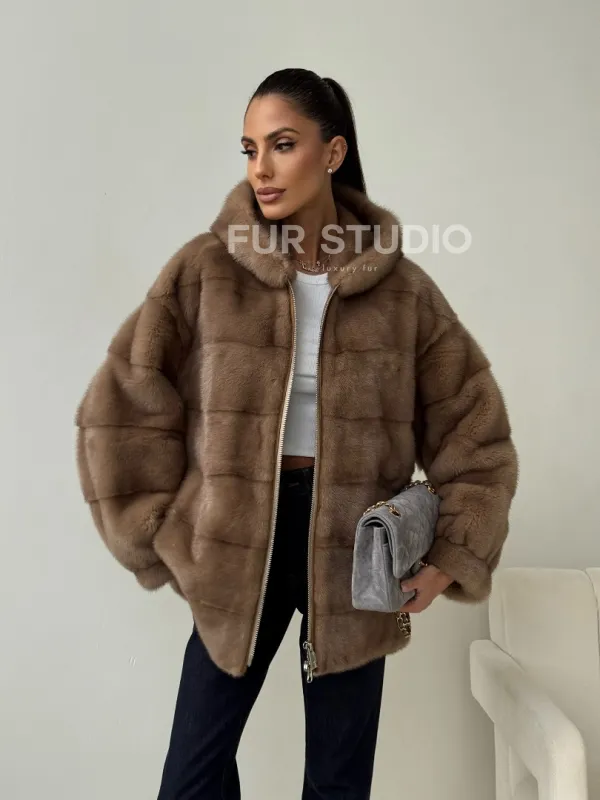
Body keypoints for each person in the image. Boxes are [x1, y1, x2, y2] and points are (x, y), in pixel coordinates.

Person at [75, 67, 519, 799]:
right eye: (250, 149)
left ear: (332, 152)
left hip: (355, 552)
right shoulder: (207, 270)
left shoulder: (401, 290)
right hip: (238, 541)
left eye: (282, 145)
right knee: (190, 779)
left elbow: (477, 434)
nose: (262, 168)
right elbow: (122, 404)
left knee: (338, 783)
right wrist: (162, 530)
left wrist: (452, 554)